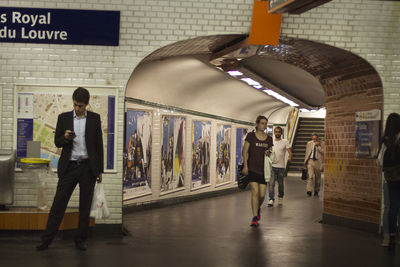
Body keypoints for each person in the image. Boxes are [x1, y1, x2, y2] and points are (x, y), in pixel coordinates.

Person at [36, 87, 104, 251]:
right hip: (69, 167)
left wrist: (99, 170)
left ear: (87, 104)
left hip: (87, 168)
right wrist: (65, 138)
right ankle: (46, 240)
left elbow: (98, 146)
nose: (77, 108)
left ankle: (80, 240)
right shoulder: (64, 118)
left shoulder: (95, 119)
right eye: (75, 105)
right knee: (58, 204)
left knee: (84, 206)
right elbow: (57, 142)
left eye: (80, 106)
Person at [242, 115, 273, 227]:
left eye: (265, 123)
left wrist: (268, 153)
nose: (264, 125)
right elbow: (245, 151)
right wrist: (245, 166)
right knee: (255, 192)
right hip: (252, 168)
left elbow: (270, 153)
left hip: (264, 170)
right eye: (262, 123)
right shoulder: (251, 136)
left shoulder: (269, 139)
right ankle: (255, 217)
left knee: (262, 195)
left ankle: (258, 208)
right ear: (257, 124)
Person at [381, 112, 400, 248]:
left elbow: (379, 161)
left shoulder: (385, 140)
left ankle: (388, 237)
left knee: (390, 208)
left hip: (389, 179)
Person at [268, 126, 292, 206]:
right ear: (274, 133)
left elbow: (290, 151)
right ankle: (271, 199)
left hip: (281, 167)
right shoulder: (271, 141)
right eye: (276, 132)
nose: (277, 133)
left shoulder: (285, 142)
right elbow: (269, 151)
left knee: (280, 184)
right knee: (271, 184)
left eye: (279, 132)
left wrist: (290, 157)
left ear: (281, 133)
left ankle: (280, 197)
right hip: (272, 166)